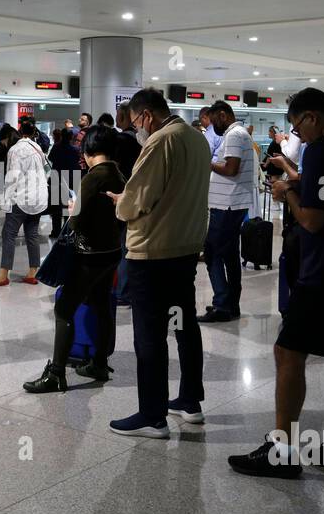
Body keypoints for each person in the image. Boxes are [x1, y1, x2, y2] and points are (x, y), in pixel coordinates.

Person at [227, 88, 324, 478]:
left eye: (298, 125)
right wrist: (301, 182)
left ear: (312, 117)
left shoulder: (323, 148)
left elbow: (315, 218)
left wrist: (286, 195)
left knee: (288, 352)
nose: (300, 134)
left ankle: (282, 449)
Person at [106, 89, 209, 438]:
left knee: (149, 335)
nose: (136, 128)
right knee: (183, 325)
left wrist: (121, 202)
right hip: (185, 249)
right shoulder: (196, 139)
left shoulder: (160, 142)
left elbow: (137, 199)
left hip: (152, 253)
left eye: (135, 121)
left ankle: (152, 414)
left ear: (147, 115)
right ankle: (189, 401)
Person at [24, 127, 127, 392]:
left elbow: (78, 223)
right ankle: (100, 363)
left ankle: (56, 373)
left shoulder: (92, 178)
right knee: (102, 304)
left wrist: (73, 210)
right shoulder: (119, 175)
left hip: (89, 256)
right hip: (112, 252)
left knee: (64, 309)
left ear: (89, 150)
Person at [201, 101, 258, 323]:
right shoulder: (239, 133)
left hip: (227, 205)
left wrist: (209, 163)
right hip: (231, 204)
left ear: (222, 115)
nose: (212, 125)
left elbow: (231, 169)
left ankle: (222, 304)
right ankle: (231, 303)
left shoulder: (234, 135)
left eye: (213, 119)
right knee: (230, 255)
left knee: (212, 252)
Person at [0, 122, 48, 287]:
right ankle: (33, 272)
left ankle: (3, 275)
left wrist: (6, 201)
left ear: (5, 139)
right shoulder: (36, 146)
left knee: (9, 233)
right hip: (39, 196)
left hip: (22, 197)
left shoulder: (15, 150)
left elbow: (13, 177)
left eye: (2, 142)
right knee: (32, 234)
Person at [112, 102, 144, 303]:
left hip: (122, 198)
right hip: (140, 197)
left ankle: (123, 292)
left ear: (123, 117)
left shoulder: (120, 140)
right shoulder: (143, 139)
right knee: (131, 246)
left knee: (123, 247)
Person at [46, 126, 81, 238]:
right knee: (68, 207)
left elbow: (50, 158)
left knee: (56, 206)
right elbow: (77, 162)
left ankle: (55, 231)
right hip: (71, 178)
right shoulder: (75, 149)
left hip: (57, 177)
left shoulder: (56, 147)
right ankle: (67, 230)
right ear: (71, 137)